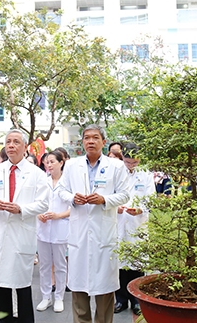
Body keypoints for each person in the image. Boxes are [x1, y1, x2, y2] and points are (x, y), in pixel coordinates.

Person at [58, 124, 131, 323]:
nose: (91, 141)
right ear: (82, 142)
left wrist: (104, 200)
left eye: (95, 137)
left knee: (104, 290)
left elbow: (125, 194)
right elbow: (61, 191)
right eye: (87, 138)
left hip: (103, 234)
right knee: (79, 290)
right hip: (79, 233)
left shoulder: (116, 166)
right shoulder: (72, 165)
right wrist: (73, 198)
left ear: (103, 142)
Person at [0, 129, 49, 323]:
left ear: (25, 147)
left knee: (22, 287)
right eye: (8, 141)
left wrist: (21, 209)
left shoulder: (36, 173)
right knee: (0, 287)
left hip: (21, 236)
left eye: (16, 142)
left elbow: (44, 203)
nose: (11, 145)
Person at [114, 142, 155, 316]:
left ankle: (137, 301)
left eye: (134, 162)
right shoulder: (116, 172)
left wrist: (140, 209)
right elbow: (110, 195)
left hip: (138, 223)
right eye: (128, 162)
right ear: (122, 158)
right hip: (119, 221)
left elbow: (151, 197)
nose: (131, 165)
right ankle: (121, 300)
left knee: (137, 264)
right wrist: (115, 207)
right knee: (120, 264)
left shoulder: (146, 174)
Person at [36, 150, 70, 313]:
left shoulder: (67, 182)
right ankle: (45, 297)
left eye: (52, 162)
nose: (49, 165)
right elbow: (35, 202)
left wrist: (58, 215)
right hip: (43, 228)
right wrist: (39, 214)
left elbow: (74, 207)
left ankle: (59, 297)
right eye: (47, 162)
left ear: (61, 163)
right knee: (44, 265)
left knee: (60, 265)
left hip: (60, 228)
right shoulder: (43, 181)